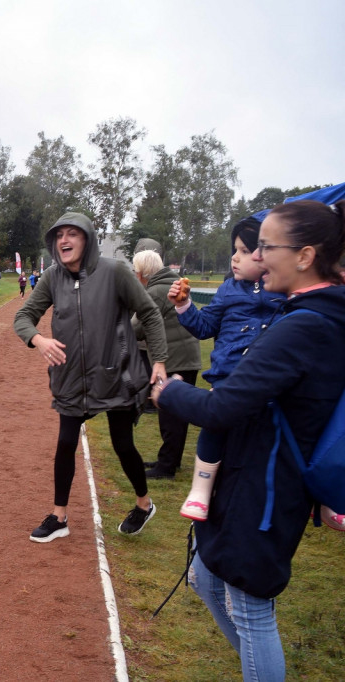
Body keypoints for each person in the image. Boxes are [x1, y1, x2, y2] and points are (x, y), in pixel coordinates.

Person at [153, 199, 345, 682]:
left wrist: (170, 391)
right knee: (205, 578)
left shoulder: (303, 325)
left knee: (251, 608)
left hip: (266, 487)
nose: (257, 257)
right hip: (253, 474)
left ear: (304, 256)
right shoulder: (311, 314)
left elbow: (223, 406)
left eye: (265, 246)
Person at [14, 212, 168, 542]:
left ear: (88, 240)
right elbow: (24, 316)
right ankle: (60, 517)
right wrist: (38, 339)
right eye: (59, 235)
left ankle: (144, 503)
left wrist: (159, 362)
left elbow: (150, 314)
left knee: (123, 444)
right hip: (71, 377)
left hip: (115, 375)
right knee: (65, 443)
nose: (64, 240)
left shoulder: (115, 273)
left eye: (73, 234)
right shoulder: (52, 277)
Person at [167, 217, 280, 518]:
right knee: (214, 429)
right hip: (229, 380)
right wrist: (184, 305)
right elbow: (205, 327)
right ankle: (200, 490)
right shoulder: (228, 290)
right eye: (235, 250)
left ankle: (321, 494)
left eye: (245, 250)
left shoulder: (283, 291)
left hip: (270, 386)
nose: (235, 257)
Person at [130, 249, 201, 479]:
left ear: (143, 272)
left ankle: (167, 466)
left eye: (136, 271)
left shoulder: (156, 291)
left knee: (170, 414)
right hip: (185, 357)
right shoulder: (170, 284)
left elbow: (137, 327)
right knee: (176, 414)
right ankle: (170, 460)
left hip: (174, 358)